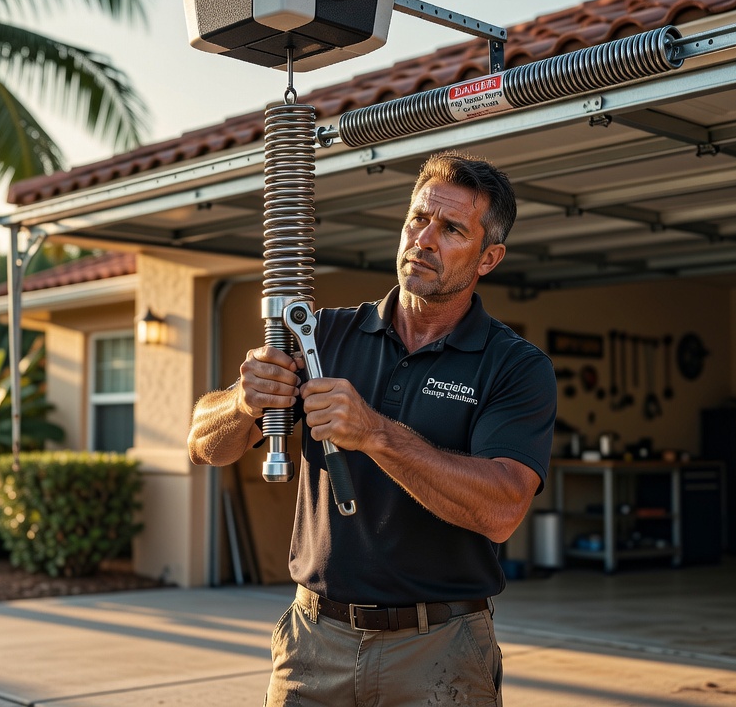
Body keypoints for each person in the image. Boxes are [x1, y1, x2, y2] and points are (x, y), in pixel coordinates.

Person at [187, 151, 556, 707]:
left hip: (440, 651)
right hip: (314, 644)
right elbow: (202, 445)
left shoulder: (514, 366)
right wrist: (243, 402)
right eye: (417, 218)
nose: (423, 239)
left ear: (489, 257)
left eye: (451, 228)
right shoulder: (324, 337)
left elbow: (502, 510)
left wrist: (376, 434)